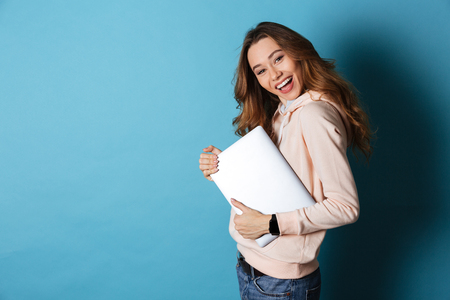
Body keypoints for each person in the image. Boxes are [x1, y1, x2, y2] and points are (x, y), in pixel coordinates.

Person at [199, 22, 372, 300]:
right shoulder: (284, 111)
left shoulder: (313, 116)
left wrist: (271, 224)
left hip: (280, 284)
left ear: (298, 53)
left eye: (278, 58)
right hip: (253, 270)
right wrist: (224, 168)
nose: (275, 74)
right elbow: (279, 183)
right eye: (261, 71)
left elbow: (345, 207)